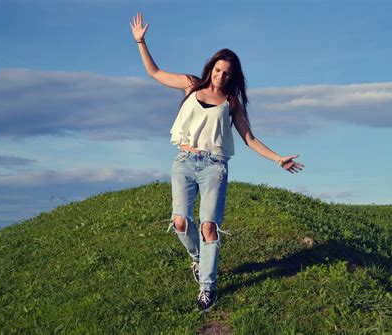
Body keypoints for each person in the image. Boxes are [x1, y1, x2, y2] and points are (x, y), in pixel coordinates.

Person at [130, 13, 304, 311]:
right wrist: (141, 41)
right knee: (180, 222)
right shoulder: (191, 86)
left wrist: (278, 159)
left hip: (214, 166)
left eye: (227, 73)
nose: (221, 76)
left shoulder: (231, 103)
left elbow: (249, 138)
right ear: (211, 68)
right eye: (218, 70)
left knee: (209, 226)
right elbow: (154, 73)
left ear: (232, 77)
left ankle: (207, 288)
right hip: (184, 161)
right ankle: (198, 258)